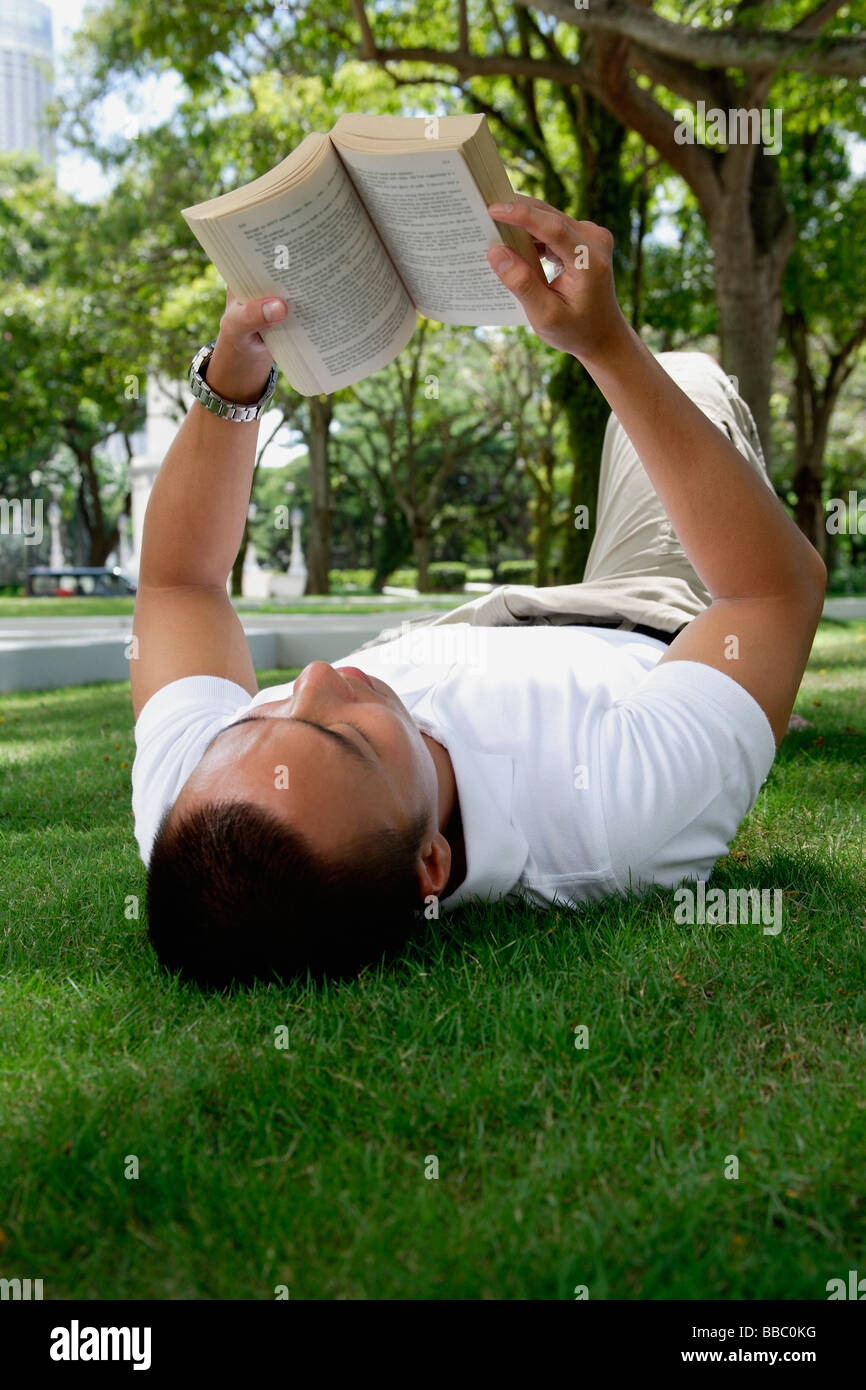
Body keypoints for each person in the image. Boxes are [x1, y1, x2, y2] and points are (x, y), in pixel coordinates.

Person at [131, 194, 826, 989]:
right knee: (683, 377)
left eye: (259, 717)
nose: (314, 680)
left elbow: (180, 586)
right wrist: (606, 346)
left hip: (461, 627)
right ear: (431, 864)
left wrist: (234, 375)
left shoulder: (201, 816)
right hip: (643, 616)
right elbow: (771, 596)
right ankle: (759, 704)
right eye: (347, 737)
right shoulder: (615, 819)